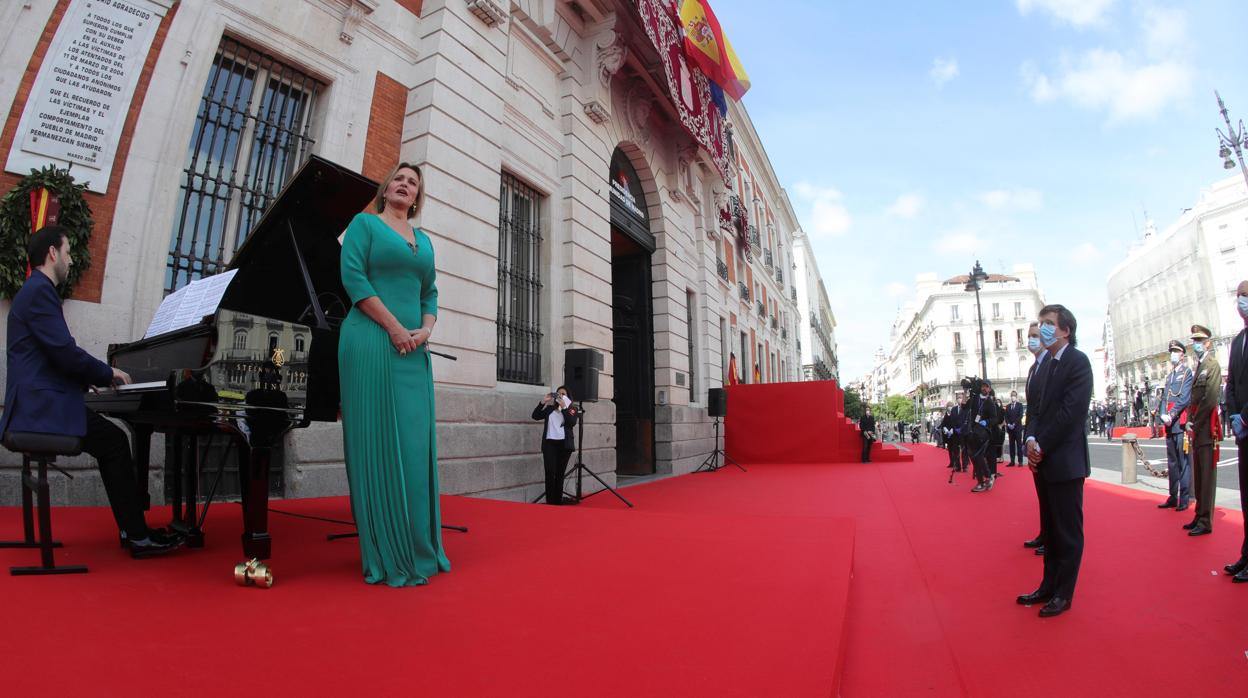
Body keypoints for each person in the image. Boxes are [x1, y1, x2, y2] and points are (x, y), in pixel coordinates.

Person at [1, 225, 179, 558]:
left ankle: (133, 532)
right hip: (40, 409)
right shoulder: (40, 291)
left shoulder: (34, 290)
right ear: (52, 253)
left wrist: (88, 379)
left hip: (38, 403)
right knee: (114, 442)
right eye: (67, 252)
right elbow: (64, 352)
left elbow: (53, 356)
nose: (69, 259)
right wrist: (106, 371)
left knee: (111, 440)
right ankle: (138, 537)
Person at [339, 161, 450, 587]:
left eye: (413, 183)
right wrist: (394, 327)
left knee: (414, 447)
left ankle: (421, 546)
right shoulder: (364, 225)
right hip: (370, 341)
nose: (405, 186)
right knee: (378, 444)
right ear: (387, 190)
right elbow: (353, 278)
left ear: (417, 196)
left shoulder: (424, 241)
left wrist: (425, 328)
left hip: (413, 351)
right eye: (399, 180)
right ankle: (386, 552)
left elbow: (431, 292)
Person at [1020, 305, 1092, 618]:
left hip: (1065, 461)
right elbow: (1034, 409)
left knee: (1067, 531)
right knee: (1049, 529)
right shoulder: (1045, 365)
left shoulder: (1078, 362)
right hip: (1044, 459)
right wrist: (1030, 440)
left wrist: (1043, 444)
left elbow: (1070, 413)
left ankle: (1064, 593)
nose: (1044, 329)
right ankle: (1047, 586)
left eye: (1049, 324)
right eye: (1041, 323)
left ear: (1065, 330)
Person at [1183, 324, 1222, 538]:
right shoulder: (1199, 365)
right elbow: (1193, 399)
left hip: (1207, 429)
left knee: (1207, 476)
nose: (1195, 344)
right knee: (1198, 475)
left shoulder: (1212, 365)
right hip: (1198, 428)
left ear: (1208, 342)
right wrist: (1189, 421)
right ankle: (1199, 514)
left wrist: (1195, 423)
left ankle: (1206, 520)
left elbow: (1210, 399)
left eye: (1199, 341)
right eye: (1194, 341)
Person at [1223, 280, 1248, 583]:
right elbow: (1231, 385)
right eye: (1239, 295)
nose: (1241, 301)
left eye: (1246, 295)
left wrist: (1246, 416)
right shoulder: (1238, 340)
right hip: (1242, 433)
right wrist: (1233, 416)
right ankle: (1246, 554)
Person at [1156, 339, 1194, 512]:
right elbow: (1165, 397)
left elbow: (1184, 398)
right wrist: (1163, 414)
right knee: (1172, 462)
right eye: (1171, 351)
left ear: (1182, 355)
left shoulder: (1187, 373)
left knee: (1183, 462)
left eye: (1176, 351)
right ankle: (1173, 496)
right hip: (1169, 424)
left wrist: (1171, 415)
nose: (1173, 354)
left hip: (1179, 423)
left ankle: (1184, 498)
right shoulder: (1170, 376)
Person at [1022, 322, 1048, 556]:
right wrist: (1028, 437)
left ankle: (1050, 537)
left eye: (1035, 336)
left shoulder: (1051, 364)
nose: (1031, 340)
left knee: (1051, 496)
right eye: (1029, 336)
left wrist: (1039, 439)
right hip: (1034, 440)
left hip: (1047, 442)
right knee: (1042, 492)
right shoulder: (1033, 369)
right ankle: (1044, 532)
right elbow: (1031, 409)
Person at [532, 386, 578, 505]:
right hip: (549, 445)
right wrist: (543, 402)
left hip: (564, 445)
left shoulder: (572, 409)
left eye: (563, 394)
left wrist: (563, 407)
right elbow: (535, 416)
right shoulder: (549, 409)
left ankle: (557, 502)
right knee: (549, 472)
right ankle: (550, 502)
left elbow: (571, 422)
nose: (560, 396)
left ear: (567, 397)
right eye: (557, 394)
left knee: (559, 474)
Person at [969, 379, 998, 492]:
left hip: (984, 433)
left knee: (977, 455)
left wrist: (986, 422)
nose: (984, 388)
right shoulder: (975, 399)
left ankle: (981, 482)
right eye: (983, 386)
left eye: (986, 387)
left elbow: (995, 418)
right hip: (973, 431)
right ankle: (988, 476)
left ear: (989, 389)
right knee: (973, 456)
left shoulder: (990, 402)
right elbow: (966, 406)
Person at [1005, 390, 1024, 466]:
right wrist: (1009, 424)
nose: (1013, 397)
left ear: (1016, 396)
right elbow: (1006, 416)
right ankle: (1012, 461)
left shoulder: (1020, 405)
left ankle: (1020, 461)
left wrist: (1014, 424)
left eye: (1014, 395)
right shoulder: (1008, 406)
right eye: (1012, 395)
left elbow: (1020, 415)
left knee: (1019, 445)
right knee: (1011, 445)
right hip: (1010, 429)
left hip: (1017, 428)